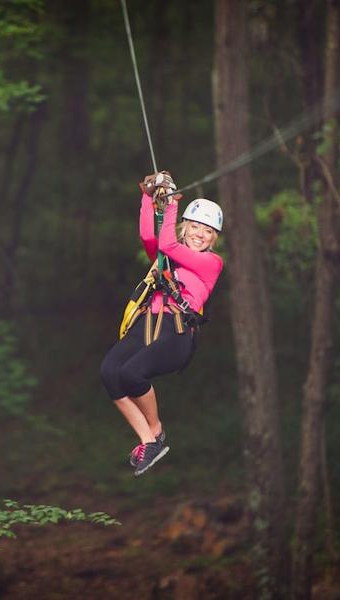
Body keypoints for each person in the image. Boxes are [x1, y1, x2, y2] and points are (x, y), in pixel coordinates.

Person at [99, 173, 224, 476]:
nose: (200, 235)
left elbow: (166, 243)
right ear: (186, 226)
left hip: (176, 332)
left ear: (214, 238)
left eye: (207, 231)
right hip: (148, 322)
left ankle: (154, 428)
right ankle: (149, 440)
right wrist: (149, 198)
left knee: (131, 374)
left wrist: (169, 206)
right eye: (195, 227)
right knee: (110, 373)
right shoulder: (168, 258)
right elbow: (150, 238)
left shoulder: (211, 263)